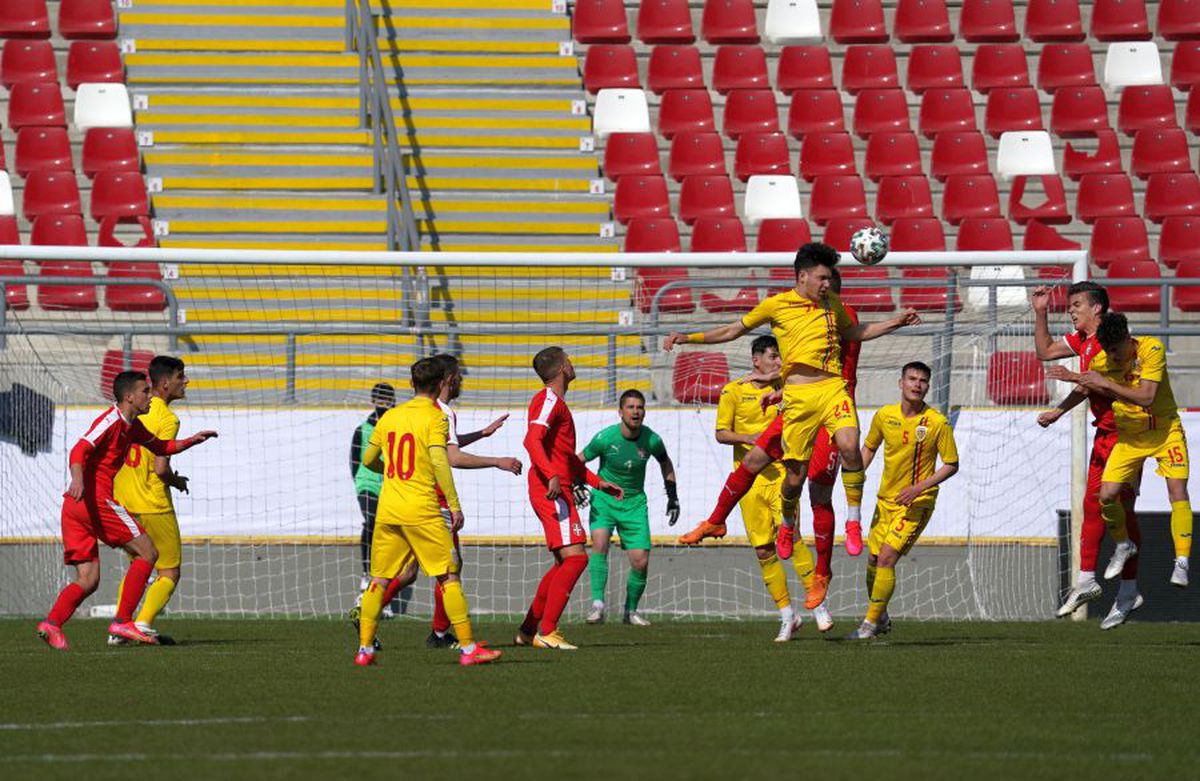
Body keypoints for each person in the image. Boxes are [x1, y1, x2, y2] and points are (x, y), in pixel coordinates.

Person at [665, 242, 919, 603]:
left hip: (832, 400)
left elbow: (840, 345)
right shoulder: (786, 306)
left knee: (820, 491)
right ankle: (719, 519)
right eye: (822, 278)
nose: (826, 285)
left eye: (831, 280)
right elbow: (765, 341)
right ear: (804, 278)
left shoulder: (837, 311)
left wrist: (895, 321)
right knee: (762, 464)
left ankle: (824, 567)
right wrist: (781, 391)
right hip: (797, 402)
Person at [36, 371, 217, 650]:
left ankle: (52, 624)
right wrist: (78, 477)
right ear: (129, 397)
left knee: (89, 580)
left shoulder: (133, 426)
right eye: (146, 391)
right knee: (150, 552)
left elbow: (161, 446)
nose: (150, 396)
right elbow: (79, 450)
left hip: (74, 507)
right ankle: (122, 620)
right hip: (92, 500)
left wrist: (191, 440)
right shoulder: (110, 420)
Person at [359, 354, 523, 650]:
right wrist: (497, 461)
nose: (461, 380)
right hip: (429, 503)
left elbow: (374, 458)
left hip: (393, 505)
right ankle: (448, 637)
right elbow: (449, 457)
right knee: (450, 571)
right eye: (458, 375)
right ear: (445, 380)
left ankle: (367, 637)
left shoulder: (397, 414)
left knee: (401, 573)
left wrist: (482, 433)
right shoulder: (440, 412)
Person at [1050, 312, 1191, 594]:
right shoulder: (1103, 360)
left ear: (1128, 339)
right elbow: (1088, 384)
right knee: (1106, 496)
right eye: (1108, 350)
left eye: (1115, 349)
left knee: (1177, 490)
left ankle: (1182, 561)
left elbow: (1147, 396)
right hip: (1129, 439)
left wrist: (1105, 383)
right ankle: (1124, 544)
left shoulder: (1151, 349)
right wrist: (1065, 396)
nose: (1112, 356)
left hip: (1165, 433)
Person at [1032, 282, 1143, 628]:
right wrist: (1040, 312)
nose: (1072, 310)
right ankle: (1087, 580)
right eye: (1069, 305)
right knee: (1091, 505)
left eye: (1077, 304)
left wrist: (1063, 401)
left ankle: (1128, 589)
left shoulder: (1114, 339)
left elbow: (1097, 381)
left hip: (1129, 435)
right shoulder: (1081, 340)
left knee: (1118, 507)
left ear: (1097, 308)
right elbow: (1046, 351)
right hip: (1104, 435)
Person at [709, 335, 826, 639]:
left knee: (793, 534)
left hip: (781, 476)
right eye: (772, 356)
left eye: (780, 356)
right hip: (747, 482)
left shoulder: (788, 388)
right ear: (756, 360)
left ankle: (818, 606)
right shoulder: (734, 390)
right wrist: (751, 440)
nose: (777, 361)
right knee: (763, 550)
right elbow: (721, 433)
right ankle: (788, 616)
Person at [516, 347, 623, 650]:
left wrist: (599, 483)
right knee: (576, 559)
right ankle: (547, 631)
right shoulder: (548, 400)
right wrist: (550, 474)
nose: (574, 364)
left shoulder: (556, 403)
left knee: (563, 562)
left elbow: (567, 459)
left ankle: (527, 630)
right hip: (552, 490)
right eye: (570, 360)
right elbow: (531, 440)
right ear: (563, 367)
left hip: (557, 486)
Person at [847, 362, 959, 640]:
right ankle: (881, 616)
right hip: (885, 500)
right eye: (912, 379)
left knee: (886, 558)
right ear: (901, 383)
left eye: (922, 380)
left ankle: (868, 625)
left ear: (928, 387)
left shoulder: (937, 422)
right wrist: (852, 477)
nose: (917, 384)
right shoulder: (884, 415)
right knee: (873, 559)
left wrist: (918, 488)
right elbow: (869, 448)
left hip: (916, 504)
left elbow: (951, 464)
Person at [578, 389, 678, 627]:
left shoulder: (652, 439)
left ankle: (630, 611)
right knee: (600, 543)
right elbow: (577, 460)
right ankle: (598, 606)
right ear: (620, 412)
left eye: (640, 407)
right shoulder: (605, 438)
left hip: (634, 504)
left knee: (640, 561)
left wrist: (673, 497)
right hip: (604, 499)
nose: (636, 412)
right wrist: (575, 484)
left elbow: (666, 463)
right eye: (631, 407)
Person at [111, 356, 193, 644]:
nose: (186, 382)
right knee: (169, 570)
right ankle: (143, 623)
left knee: (138, 567)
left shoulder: (131, 410)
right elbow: (160, 468)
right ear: (166, 383)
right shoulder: (167, 418)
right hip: (154, 503)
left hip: (125, 502)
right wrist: (177, 481)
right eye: (181, 377)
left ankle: (121, 627)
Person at [350, 382, 395, 596]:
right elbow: (354, 460)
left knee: (388, 530)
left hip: (392, 483)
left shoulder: (398, 425)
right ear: (373, 402)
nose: (384, 404)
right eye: (380, 400)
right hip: (367, 483)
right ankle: (367, 571)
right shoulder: (362, 430)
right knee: (371, 520)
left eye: (388, 401)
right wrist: (360, 483)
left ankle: (382, 582)